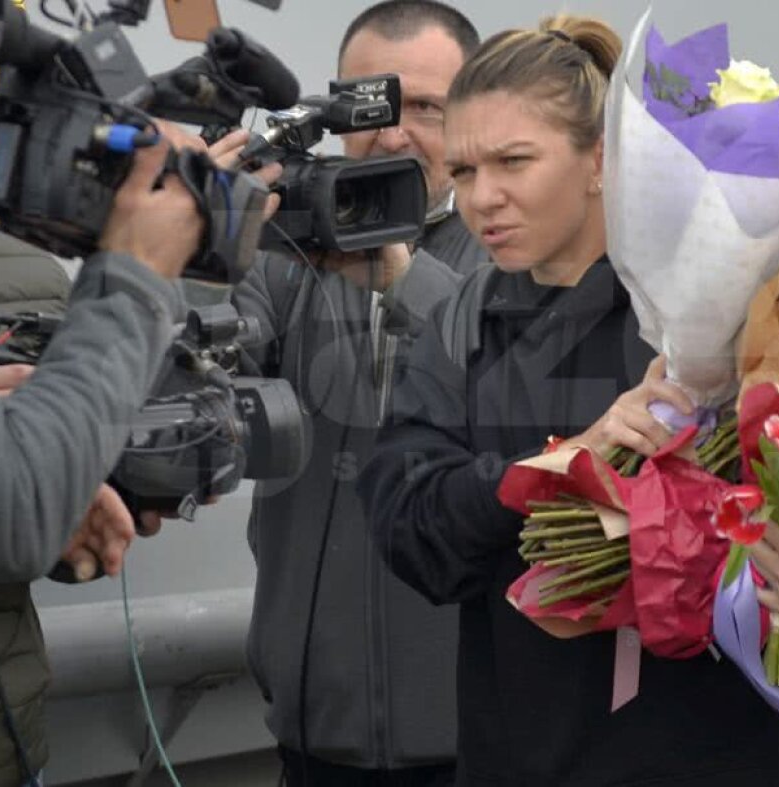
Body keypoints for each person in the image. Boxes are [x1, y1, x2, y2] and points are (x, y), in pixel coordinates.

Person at [363, 14, 779, 785]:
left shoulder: (734, 316)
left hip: (709, 755)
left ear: (602, 162)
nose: (484, 198)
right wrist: (560, 464)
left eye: (514, 162)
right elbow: (408, 525)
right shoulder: (464, 319)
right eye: (465, 170)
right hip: (520, 749)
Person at [220, 2, 486, 783]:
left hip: (472, 741)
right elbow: (207, 379)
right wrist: (201, 242)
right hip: (311, 734)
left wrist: (403, 276)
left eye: (427, 109)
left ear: (473, 117)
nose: (393, 134)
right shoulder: (286, 248)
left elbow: (509, 386)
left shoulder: (512, 243)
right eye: (366, 107)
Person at [0, 136, 204, 787]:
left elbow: (11, 515)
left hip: (2, 739)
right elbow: (11, 509)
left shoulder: (28, 267)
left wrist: (54, 482)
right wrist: (133, 276)